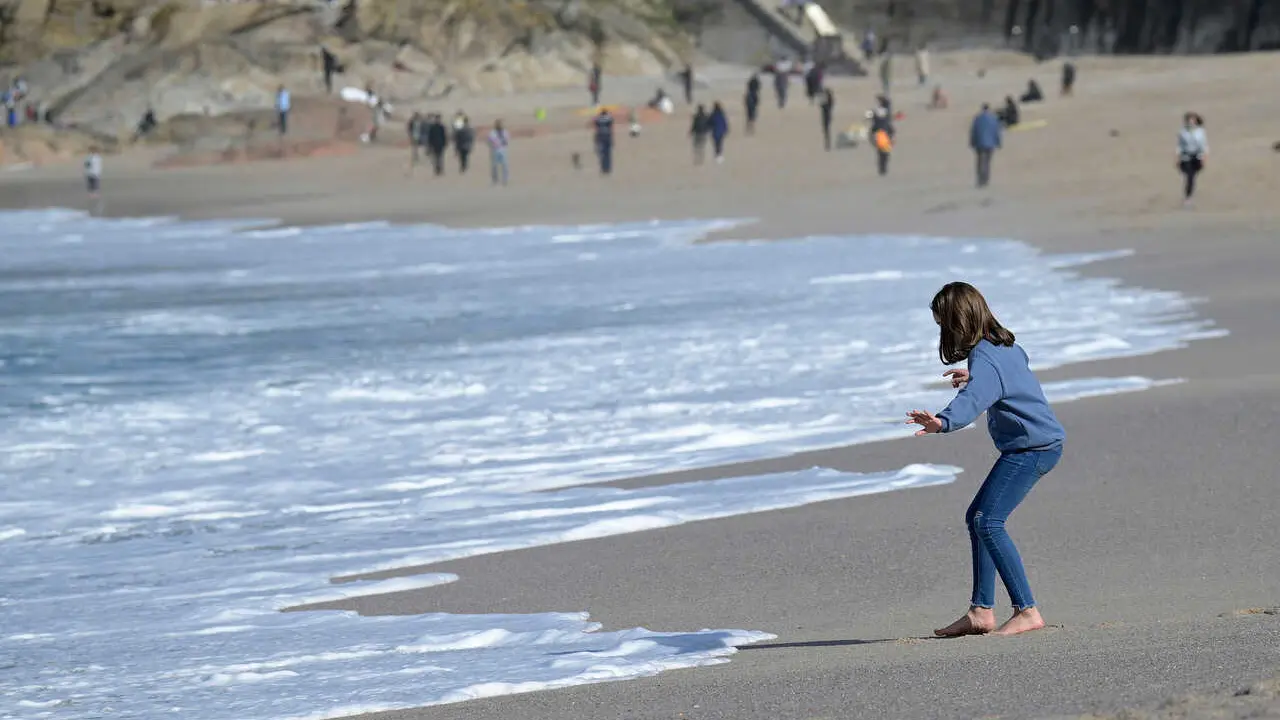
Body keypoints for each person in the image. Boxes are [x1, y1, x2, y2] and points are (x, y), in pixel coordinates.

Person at [907, 282, 1066, 638]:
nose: (942, 332)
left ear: (957, 321)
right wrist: (975, 378)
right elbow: (1009, 379)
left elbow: (974, 401)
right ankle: (981, 611)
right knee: (977, 518)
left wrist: (942, 422)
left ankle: (1027, 610)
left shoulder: (985, 356)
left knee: (988, 520)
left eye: (942, 325)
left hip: (1032, 448)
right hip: (1038, 443)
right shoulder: (1006, 346)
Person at [1177, 112, 1208, 206]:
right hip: (1186, 156)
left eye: (1193, 120)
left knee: (1193, 176)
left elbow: (1204, 146)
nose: (1191, 122)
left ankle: (1190, 194)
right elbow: (1179, 146)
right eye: (1189, 120)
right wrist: (1177, 157)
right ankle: (1188, 197)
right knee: (1189, 176)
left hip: (1196, 156)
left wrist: (1204, 157)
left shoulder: (1200, 132)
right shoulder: (1183, 132)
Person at [970, 103, 1003, 188]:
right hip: (990, 144)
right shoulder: (993, 118)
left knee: (980, 162)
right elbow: (996, 131)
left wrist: (972, 142)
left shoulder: (977, 118)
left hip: (980, 143)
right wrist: (998, 142)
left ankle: (980, 179)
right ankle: (985, 179)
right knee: (987, 162)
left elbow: (974, 131)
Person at [870, 102, 894, 176]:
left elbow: (872, 131)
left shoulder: (877, 123)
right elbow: (891, 130)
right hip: (885, 139)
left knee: (881, 155)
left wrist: (872, 140)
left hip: (880, 140)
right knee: (885, 155)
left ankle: (882, 168)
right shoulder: (885, 122)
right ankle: (883, 168)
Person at [594, 107, 615, 175]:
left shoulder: (598, 119)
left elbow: (596, 128)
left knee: (602, 153)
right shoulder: (609, 118)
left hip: (600, 136)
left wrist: (596, 139)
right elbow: (611, 128)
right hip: (607, 136)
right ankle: (607, 168)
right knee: (608, 154)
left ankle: (604, 168)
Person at [488, 119, 510, 186]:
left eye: (501, 124)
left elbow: (507, 140)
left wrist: (504, 142)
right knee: (494, 166)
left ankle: (505, 180)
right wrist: (494, 144)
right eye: (498, 124)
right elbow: (490, 141)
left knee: (505, 165)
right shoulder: (492, 132)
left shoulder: (505, 132)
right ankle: (495, 180)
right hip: (495, 150)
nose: (500, 126)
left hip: (503, 150)